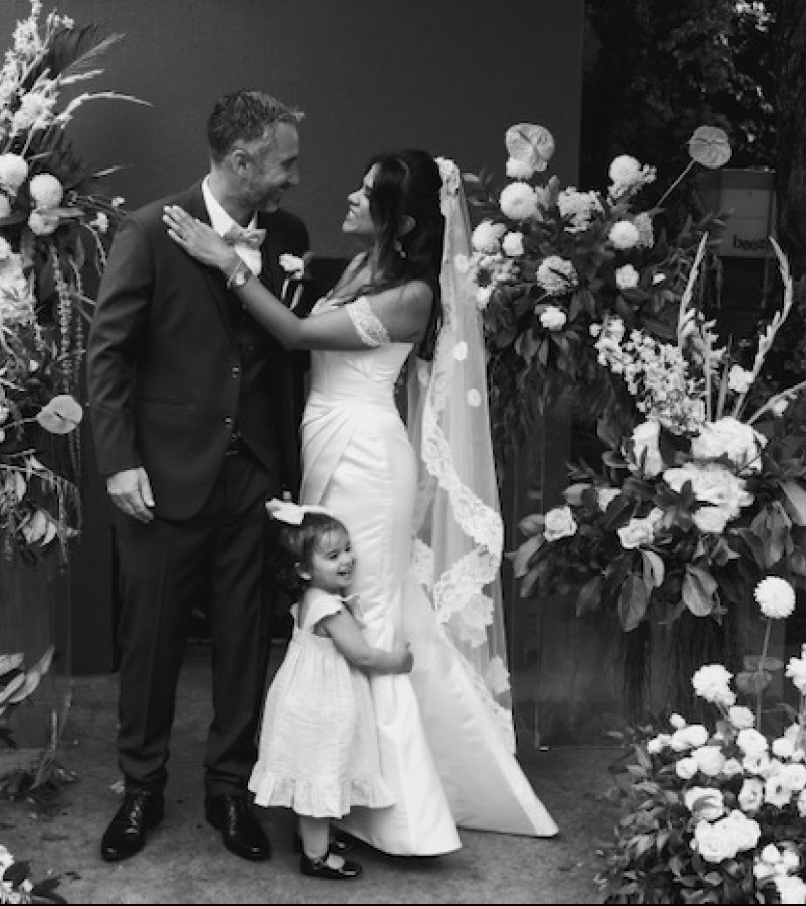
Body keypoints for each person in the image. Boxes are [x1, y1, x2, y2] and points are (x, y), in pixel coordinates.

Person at [163, 148, 559, 855]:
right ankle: (332, 780)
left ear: (400, 219)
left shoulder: (412, 296)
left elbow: (296, 335)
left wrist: (224, 258)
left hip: (368, 458)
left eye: (367, 192)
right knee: (323, 608)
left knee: (365, 609)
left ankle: (393, 808)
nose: (348, 194)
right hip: (324, 443)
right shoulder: (356, 267)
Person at [85, 89, 309, 864]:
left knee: (247, 638)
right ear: (241, 160)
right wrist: (118, 461)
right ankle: (142, 789)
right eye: (282, 164)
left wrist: (287, 464)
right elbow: (108, 355)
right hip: (162, 476)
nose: (290, 180)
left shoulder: (289, 234)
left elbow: (285, 351)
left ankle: (230, 790)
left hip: (253, 476)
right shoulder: (147, 232)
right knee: (150, 641)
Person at [250, 498, 411, 880]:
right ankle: (316, 857)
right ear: (304, 570)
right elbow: (363, 656)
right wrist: (399, 661)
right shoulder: (330, 609)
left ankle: (311, 839)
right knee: (320, 772)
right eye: (333, 555)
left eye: (348, 550)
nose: (347, 561)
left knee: (312, 769)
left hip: (301, 696)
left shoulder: (308, 600)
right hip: (321, 703)